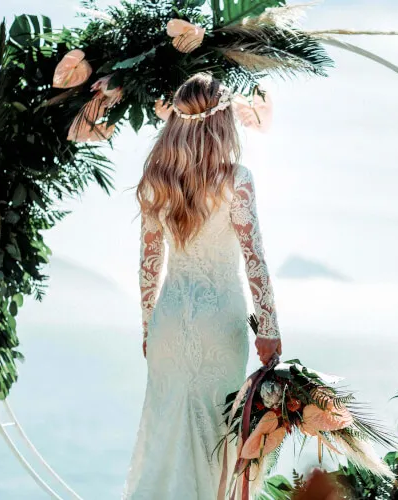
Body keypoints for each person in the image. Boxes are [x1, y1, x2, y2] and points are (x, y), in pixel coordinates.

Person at [121, 72, 282, 499]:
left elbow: (149, 266)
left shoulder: (158, 178)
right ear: (222, 121)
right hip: (219, 325)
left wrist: (146, 329)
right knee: (214, 436)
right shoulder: (237, 180)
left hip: (169, 324)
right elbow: (254, 260)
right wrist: (268, 329)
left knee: (165, 430)